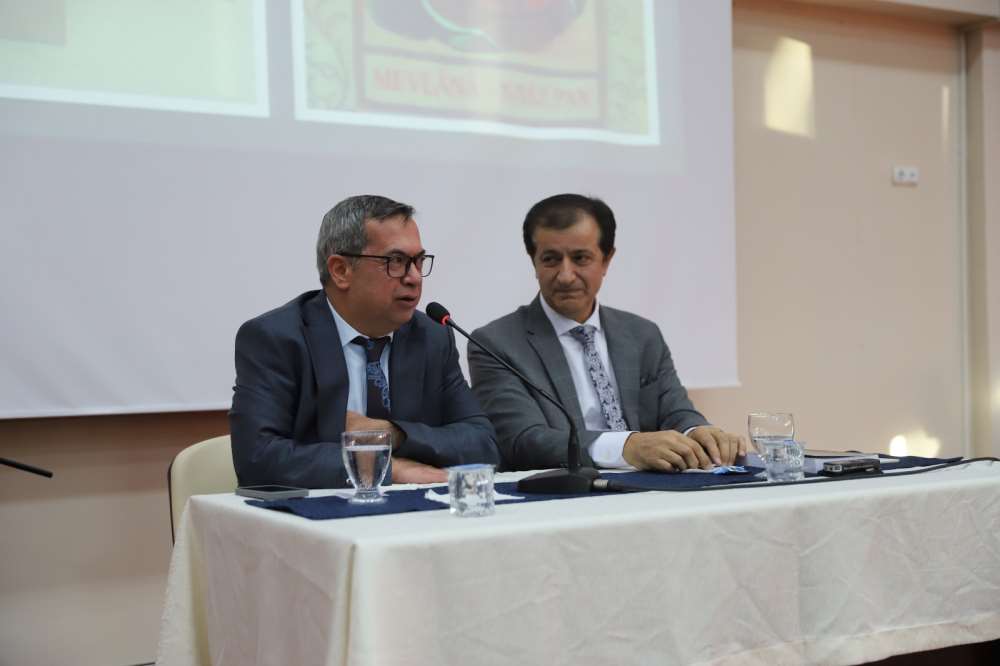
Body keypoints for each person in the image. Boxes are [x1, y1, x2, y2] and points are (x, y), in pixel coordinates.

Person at [230, 195, 499, 488]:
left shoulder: (431, 338)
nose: (414, 278)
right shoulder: (277, 339)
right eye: (396, 261)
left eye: (418, 261)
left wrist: (393, 433)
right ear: (340, 271)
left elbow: (482, 443)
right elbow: (258, 459)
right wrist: (387, 469)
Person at [468, 194, 744, 472]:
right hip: (564, 490)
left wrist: (697, 431)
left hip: (651, 488)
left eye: (580, 258)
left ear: (607, 259)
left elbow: (675, 410)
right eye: (551, 259)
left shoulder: (642, 335)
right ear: (534, 261)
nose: (565, 275)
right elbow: (523, 440)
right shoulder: (496, 343)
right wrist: (625, 447)